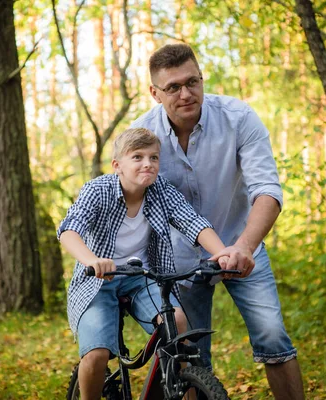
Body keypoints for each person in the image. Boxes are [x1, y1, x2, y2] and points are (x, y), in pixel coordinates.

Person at [131, 43, 305, 399]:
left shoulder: (239, 118)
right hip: (177, 261)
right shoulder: (141, 135)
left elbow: (267, 191)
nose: (186, 93)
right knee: (189, 357)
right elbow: (130, 201)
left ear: (201, 77)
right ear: (154, 93)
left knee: (272, 335)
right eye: (173, 87)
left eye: (192, 81)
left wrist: (243, 247)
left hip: (241, 243)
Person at [57, 127, 229, 400]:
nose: (147, 164)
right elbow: (69, 230)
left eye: (154, 157)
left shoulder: (161, 190)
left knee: (178, 327)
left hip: (143, 277)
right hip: (98, 280)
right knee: (97, 352)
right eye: (137, 157)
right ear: (118, 165)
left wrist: (222, 253)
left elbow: (192, 221)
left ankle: (184, 392)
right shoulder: (97, 190)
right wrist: (92, 260)